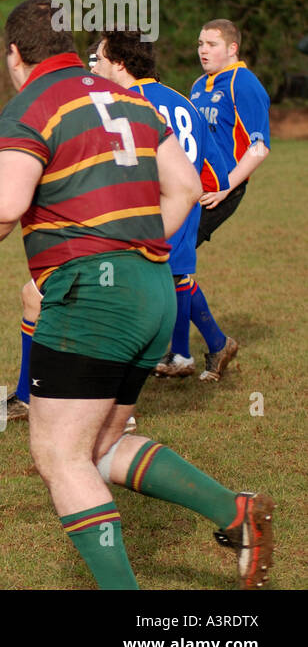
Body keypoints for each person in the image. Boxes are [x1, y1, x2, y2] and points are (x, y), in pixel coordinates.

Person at [0, 0, 273, 590]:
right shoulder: (129, 98)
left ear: (15, 56)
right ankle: (235, 512)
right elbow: (187, 187)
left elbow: (4, 207)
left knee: (58, 455)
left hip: (93, 295)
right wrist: (138, 242)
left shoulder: (32, 104)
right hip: (153, 289)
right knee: (100, 444)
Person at [90, 29, 231, 382]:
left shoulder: (122, 106)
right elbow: (215, 173)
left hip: (146, 212)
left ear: (120, 64)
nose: (96, 65)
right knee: (176, 277)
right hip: (184, 209)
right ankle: (196, 349)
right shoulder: (184, 102)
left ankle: (123, 372)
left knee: (116, 287)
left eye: (102, 59)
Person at [184, 18, 272, 379]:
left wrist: (226, 187)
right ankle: (214, 346)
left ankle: (186, 350)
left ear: (232, 48)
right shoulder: (197, 85)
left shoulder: (243, 83)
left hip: (220, 192)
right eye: (201, 43)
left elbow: (259, 146)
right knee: (169, 261)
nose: (204, 50)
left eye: (212, 44)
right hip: (194, 187)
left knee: (169, 259)